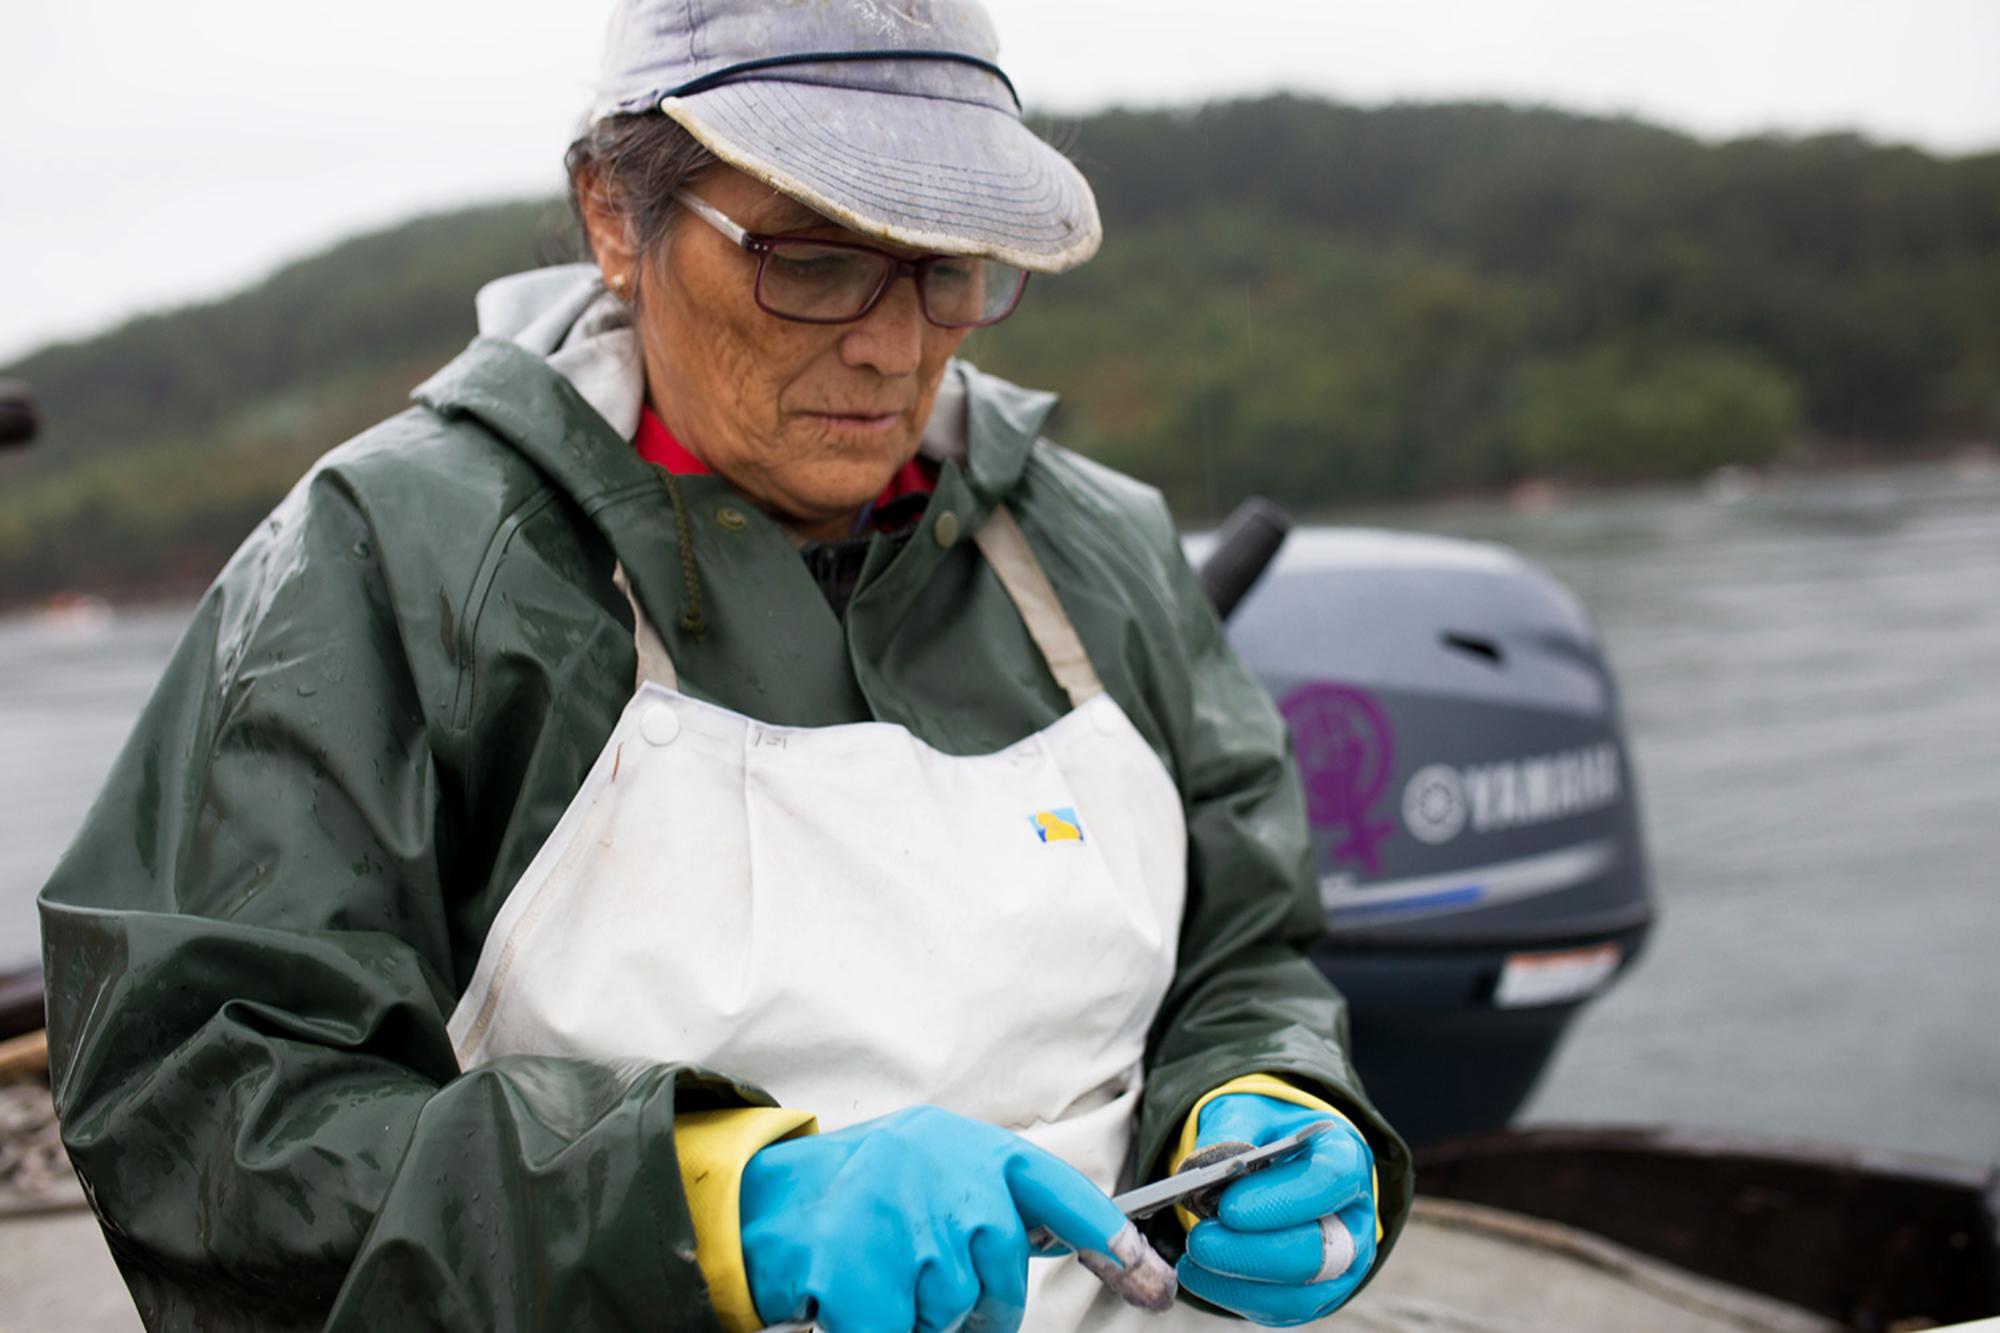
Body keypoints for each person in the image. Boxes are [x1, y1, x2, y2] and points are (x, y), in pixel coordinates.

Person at [38, 2, 1413, 1329]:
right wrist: (718, 1205)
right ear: (613, 219)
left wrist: (1265, 1087)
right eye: (811, 257)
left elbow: (1246, 946)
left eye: (949, 266)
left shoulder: (1092, 542)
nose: (895, 344)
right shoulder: (394, 562)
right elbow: (211, 1113)